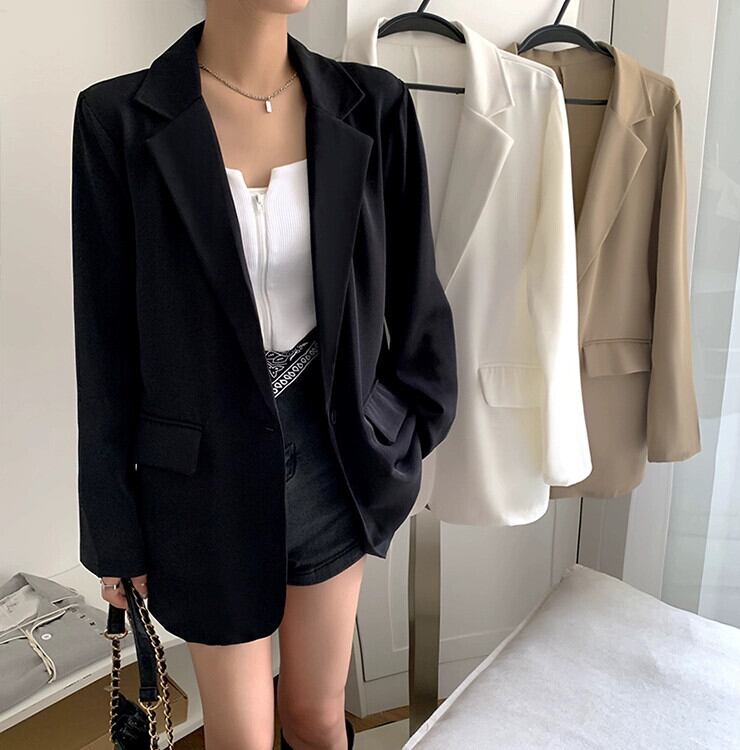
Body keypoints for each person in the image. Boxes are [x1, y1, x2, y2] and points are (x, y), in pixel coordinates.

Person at [71, 2, 458, 749]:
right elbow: (105, 341)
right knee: (241, 737)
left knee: (316, 717)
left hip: (336, 462)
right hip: (200, 484)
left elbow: (416, 299)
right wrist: (114, 531)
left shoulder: (373, 106)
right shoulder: (116, 119)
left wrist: (402, 431)